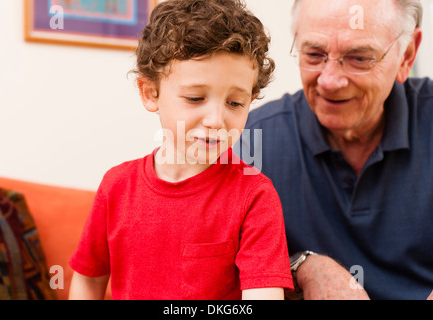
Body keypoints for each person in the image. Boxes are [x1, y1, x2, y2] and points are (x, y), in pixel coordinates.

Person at [68, 0, 294, 300]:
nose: (216, 120)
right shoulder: (117, 186)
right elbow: (88, 281)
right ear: (151, 93)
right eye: (195, 98)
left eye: (235, 103)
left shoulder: (255, 197)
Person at [236, 0, 433, 300]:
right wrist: (302, 265)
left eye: (358, 58)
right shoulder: (248, 143)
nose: (329, 81)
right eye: (314, 54)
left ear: (406, 56)